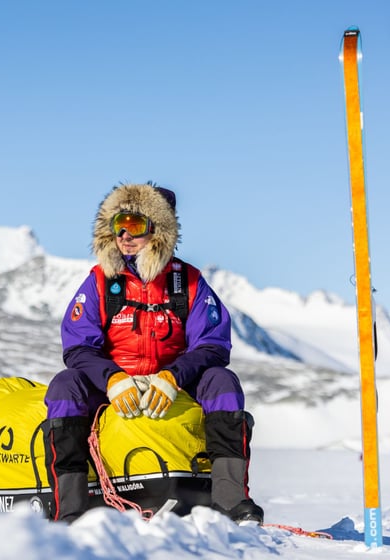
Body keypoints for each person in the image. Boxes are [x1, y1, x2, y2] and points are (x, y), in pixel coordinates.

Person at [42, 181, 264, 524]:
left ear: (159, 231)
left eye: (135, 225)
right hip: (112, 384)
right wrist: (113, 378)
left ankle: (231, 501)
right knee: (64, 387)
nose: (124, 236)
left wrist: (172, 377)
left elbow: (213, 345)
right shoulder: (101, 282)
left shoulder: (188, 282)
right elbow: (78, 346)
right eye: (118, 225)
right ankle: (69, 511)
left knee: (223, 382)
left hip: (176, 381)